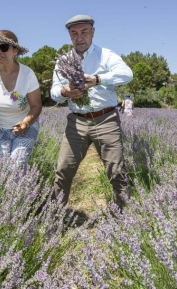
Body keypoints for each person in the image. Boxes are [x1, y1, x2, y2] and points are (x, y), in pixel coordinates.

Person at [50, 14, 134, 208]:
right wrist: (65, 91)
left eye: (84, 32)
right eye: (74, 33)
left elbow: (127, 74)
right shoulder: (63, 61)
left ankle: (125, 218)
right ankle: (54, 217)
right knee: (63, 170)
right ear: (70, 36)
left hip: (106, 119)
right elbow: (54, 92)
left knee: (116, 171)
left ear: (93, 33)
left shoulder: (106, 55)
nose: (79, 37)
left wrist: (97, 79)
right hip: (77, 122)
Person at [0, 30, 42, 164]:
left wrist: (26, 122)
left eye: (4, 47)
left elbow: (36, 106)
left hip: (25, 127)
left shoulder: (27, 74)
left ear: (15, 51)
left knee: (16, 167)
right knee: (1, 170)